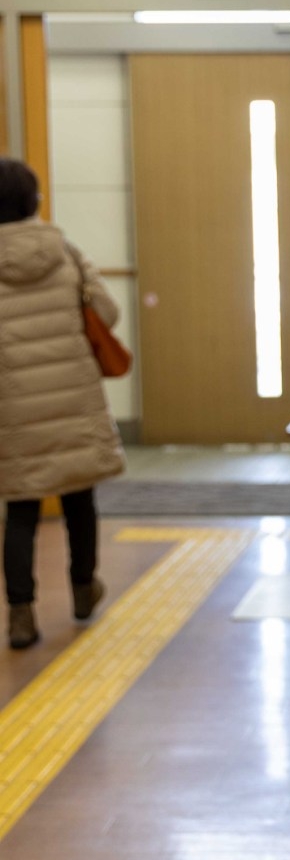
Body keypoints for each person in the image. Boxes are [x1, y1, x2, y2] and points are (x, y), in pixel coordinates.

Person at [0, 158, 125, 651]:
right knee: (78, 498)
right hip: (72, 398)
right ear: (34, 200)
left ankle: (21, 615)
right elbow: (108, 313)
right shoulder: (66, 253)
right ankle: (83, 590)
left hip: (12, 406)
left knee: (21, 508)